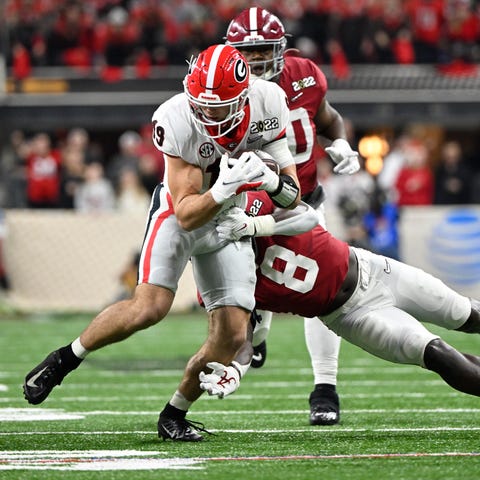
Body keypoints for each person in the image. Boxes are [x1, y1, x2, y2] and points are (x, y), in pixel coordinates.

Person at [23, 44, 301, 442]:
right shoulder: (177, 118)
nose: (205, 113)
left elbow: (293, 196)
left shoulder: (269, 102)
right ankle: (66, 358)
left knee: (234, 336)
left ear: (243, 99)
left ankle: (175, 413)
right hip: (179, 213)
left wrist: (271, 181)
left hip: (231, 221)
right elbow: (186, 213)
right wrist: (225, 187)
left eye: (217, 107)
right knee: (148, 308)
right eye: (199, 103)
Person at [198, 191, 480, 404]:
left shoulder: (252, 205)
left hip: (375, 269)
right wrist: (235, 369)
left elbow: (307, 215)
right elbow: (241, 338)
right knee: (436, 352)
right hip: (351, 315)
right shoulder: (220, 280)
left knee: (465, 314)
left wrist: (256, 226)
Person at [224, 6, 360, 425]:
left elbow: (330, 118)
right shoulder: (223, 85)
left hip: (302, 203)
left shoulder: (305, 75)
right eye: (247, 53)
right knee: (243, 294)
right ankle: (254, 339)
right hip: (245, 209)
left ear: (281, 49)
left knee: (323, 293)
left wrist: (340, 143)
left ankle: (325, 387)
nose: (257, 60)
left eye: (264, 50)